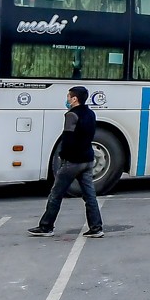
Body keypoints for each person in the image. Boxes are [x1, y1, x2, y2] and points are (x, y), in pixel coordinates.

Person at [29, 86, 104, 238]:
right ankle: (96, 228)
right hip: (88, 159)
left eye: (69, 97)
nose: (67, 100)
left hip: (73, 161)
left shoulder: (71, 115)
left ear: (75, 99)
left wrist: (63, 155)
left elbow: (68, 138)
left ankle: (46, 227)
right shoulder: (90, 113)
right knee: (90, 196)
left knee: (56, 194)